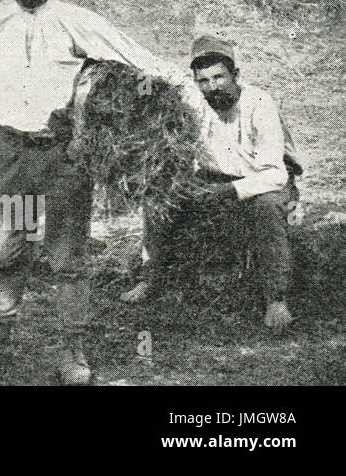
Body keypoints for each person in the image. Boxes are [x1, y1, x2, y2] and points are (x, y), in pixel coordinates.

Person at [0, 0, 185, 385]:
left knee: (68, 259)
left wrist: (144, 100)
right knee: (5, 250)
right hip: (12, 153)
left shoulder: (76, 20)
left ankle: (73, 352)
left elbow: (141, 62)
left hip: (63, 156)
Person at [120, 34, 299, 333]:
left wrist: (228, 191)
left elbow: (276, 174)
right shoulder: (197, 104)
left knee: (266, 209)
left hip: (263, 180)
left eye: (219, 77)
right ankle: (149, 278)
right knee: (159, 197)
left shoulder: (259, 103)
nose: (212, 87)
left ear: (235, 75)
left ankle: (276, 299)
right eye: (203, 81)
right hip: (214, 178)